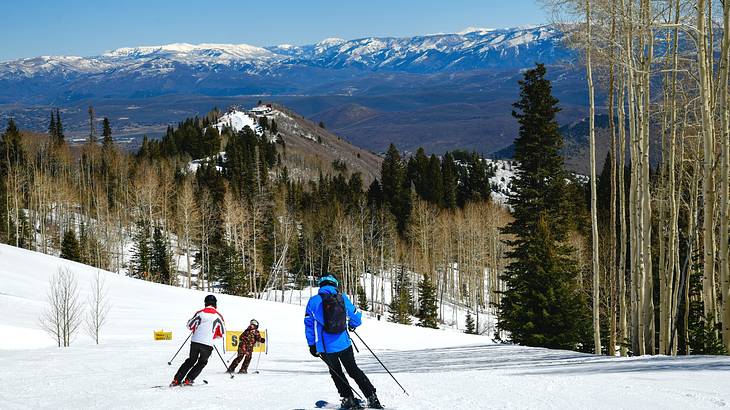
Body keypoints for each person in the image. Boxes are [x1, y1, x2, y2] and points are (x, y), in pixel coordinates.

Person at [304, 275, 382, 410]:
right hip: (344, 343)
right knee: (353, 370)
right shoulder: (342, 298)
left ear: (321, 285)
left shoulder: (313, 301)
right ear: (335, 285)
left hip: (325, 347)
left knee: (337, 373)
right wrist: (352, 325)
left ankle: (348, 399)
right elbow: (356, 316)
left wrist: (312, 345)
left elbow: (309, 325)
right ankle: (372, 397)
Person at [170, 294, 225, 386]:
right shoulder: (218, 316)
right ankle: (189, 379)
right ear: (215, 304)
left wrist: (196, 329)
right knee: (202, 362)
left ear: (205, 303)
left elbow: (189, 325)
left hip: (195, 341)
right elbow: (222, 333)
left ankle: (177, 379)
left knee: (191, 360)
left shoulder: (200, 313)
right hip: (208, 343)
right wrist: (213, 336)